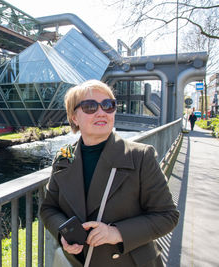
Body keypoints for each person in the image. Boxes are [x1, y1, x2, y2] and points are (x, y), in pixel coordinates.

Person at [40, 80, 179, 267]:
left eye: (108, 105)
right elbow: (49, 209)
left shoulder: (140, 156)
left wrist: (117, 233)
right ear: (74, 117)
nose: (101, 113)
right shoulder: (64, 157)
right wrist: (62, 233)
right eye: (90, 107)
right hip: (79, 262)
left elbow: (167, 215)